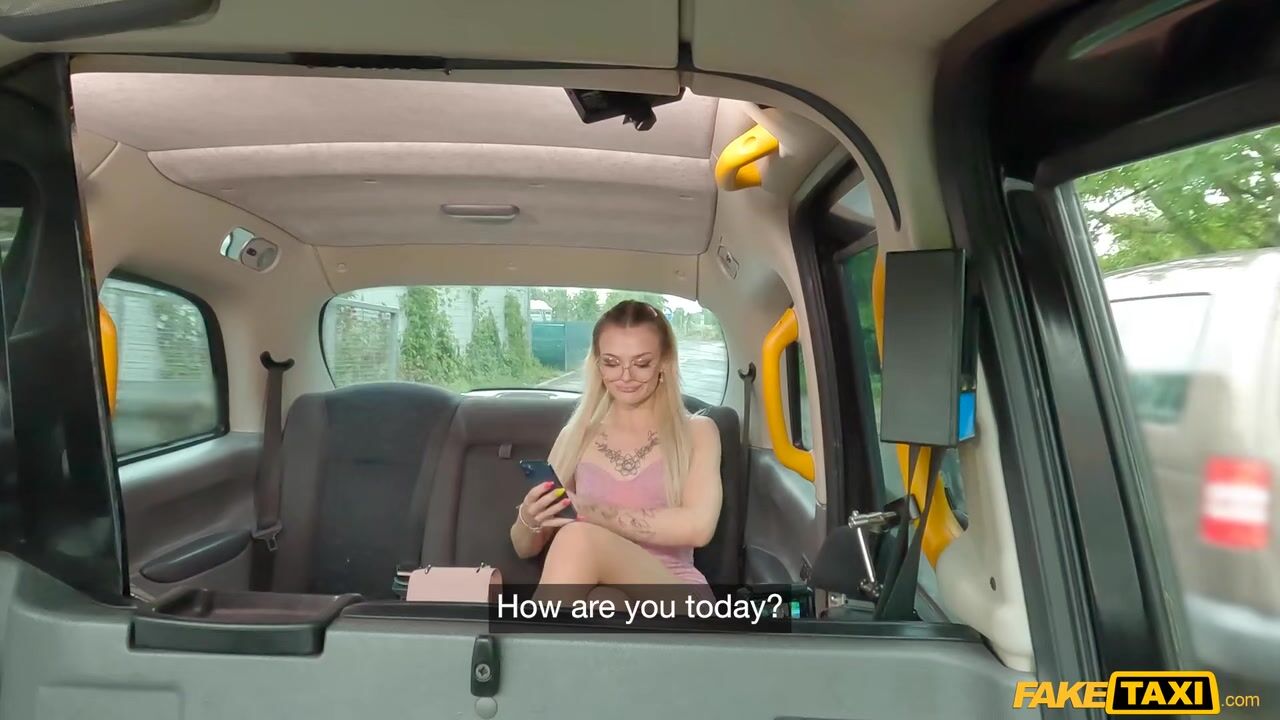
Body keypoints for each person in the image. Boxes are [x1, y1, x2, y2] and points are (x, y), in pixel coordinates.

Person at [509, 300, 722, 604]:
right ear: (598, 365)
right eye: (611, 362)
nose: (625, 375)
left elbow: (698, 528)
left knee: (578, 537)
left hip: (676, 595)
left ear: (664, 362)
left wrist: (587, 510)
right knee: (597, 593)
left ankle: (527, 633)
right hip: (598, 599)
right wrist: (529, 518)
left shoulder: (698, 432)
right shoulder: (575, 437)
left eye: (641, 363)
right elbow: (524, 547)